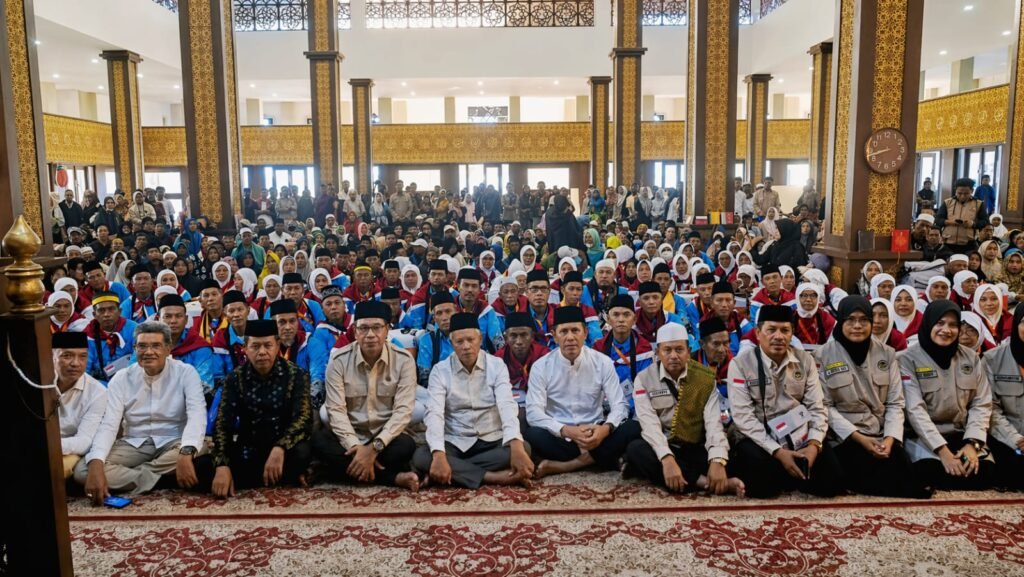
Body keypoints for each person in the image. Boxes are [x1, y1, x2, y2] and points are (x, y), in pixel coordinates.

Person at [76, 322, 208, 503]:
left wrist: (185, 452)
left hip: (174, 441)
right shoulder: (122, 378)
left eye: (156, 346)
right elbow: (109, 424)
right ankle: (163, 480)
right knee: (84, 470)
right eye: (142, 346)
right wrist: (97, 461)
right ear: (135, 349)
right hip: (135, 442)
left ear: (168, 348)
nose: (148, 352)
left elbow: (197, 414)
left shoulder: (186, 373)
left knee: (200, 448)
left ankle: (135, 478)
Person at [814, 296, 930, 498]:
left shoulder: (887, 354)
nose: (857, 326)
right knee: (842, 480)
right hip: (844, 437)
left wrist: (890, 438)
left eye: (864, 320)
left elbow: (895, 402)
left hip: (880, 433)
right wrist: (860, 438)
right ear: (840, 321)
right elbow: (825, 407)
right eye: (850, 320)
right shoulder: (823, 355)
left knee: (907, 476)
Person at [726, 305, 844, 498]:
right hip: (759, 435)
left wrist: (813, 445)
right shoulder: (741, 364)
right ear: (758, 333)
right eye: (771, 330)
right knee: (763, 487)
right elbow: (743, 417)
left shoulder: (805, 360)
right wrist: (778, 452)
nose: (779, 336)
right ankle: (785, 473)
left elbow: (817, 407)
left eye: (785, 330)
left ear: (792, 334)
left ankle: (791, 473)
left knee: (833, 482)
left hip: (798, 434)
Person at [413, 313, 534, 489]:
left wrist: (515, 443)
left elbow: (507, 405)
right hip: (455, 440)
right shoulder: (440, 371)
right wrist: (439, 454)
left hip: (490, 438)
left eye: (470, 340)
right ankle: (493, 477)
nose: (466, 346)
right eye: (459, 342)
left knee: (524, 448)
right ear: (452, 343)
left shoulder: (496, 365)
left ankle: (453, 472)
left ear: (480, 339)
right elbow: (434, 413)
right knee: (422, 456)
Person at [625, 324, 745, 495]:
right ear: (657, 352)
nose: (674, 356)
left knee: (733, 461)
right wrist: (667, 458)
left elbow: (713, 424)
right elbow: (650, 425)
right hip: (664, 444)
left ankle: (682, 476)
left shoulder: (704, 378)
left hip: (695, 445)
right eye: (667, 350)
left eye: (679, 349)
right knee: (636, 449)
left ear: (688, 351)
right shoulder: (644, 379)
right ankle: (705, 482)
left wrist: (717, 460)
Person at [524, 306, 642, 478]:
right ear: (554, 335)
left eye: (575, 330)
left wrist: (605, 430)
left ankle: (567, 465)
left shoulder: (602, 362)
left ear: (585, 333)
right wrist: (566, 430)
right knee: (533, 434)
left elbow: (620, 405)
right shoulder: (541, 366)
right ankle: (601, 459)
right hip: (560, 436)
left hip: (596, 433)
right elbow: (534, 412)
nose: (570, 337)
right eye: (564, 331)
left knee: (633, 427)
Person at [201, 319, 312, 497]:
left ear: (277, 346)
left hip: (285, 451)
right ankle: (281, 477)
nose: (262, 352)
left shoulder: (296, 374)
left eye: (268, 345)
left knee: (303, 453)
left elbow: (303, 419)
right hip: (248, 449)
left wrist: (280, 447)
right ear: (245, 348)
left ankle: (252, 478)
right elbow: (223, 425)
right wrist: (222, 465)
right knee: (202, 467)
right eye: (255, 346)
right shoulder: (234, 379)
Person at [899, 300, 995, 490]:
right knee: (929, 472)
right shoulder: (907, 359)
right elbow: (914, 410)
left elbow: (981, 404)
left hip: (962, 434)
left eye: (953, 325)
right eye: (940, 323)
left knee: (986, 473)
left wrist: (972, 444)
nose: (946, 330)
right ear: (928, 324)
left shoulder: (971, 358)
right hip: (924, 439)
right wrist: (943, 452)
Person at [52, 332, 108, 479]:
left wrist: (47, 445)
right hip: (36, 445)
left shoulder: (97, 392)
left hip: (71, 450)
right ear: (52, 356)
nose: (76, 363)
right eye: (67, 356)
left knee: (54, 469)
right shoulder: (37, 383)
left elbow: (84, 442)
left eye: (82, 356)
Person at [984, 306, 1024, 490]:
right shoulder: (992, 359)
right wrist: (1016, 440)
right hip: (1007, 438)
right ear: (1015, 325)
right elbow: (991, 410)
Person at [157, 294, 222, 396]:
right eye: (167, 316)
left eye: (178, 316)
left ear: (186, 319)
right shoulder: (148, 345)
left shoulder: (199, 346)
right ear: (158, 319)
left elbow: (204, 385)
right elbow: (136, 375)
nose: (173, 321)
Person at [84, 291, 138, 383]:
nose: (106, 314)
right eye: (101, 310)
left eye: (111, 309)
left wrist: (125, 378)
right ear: (94, 315)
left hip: (131, 379)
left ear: (119, 311)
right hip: (100, 384)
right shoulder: (88, 335)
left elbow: (138, 355)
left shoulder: (134, 328)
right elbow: (85, 369)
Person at [935, 178, 988, 253]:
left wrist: (973, 224)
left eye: (966, 194)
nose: (962, 196)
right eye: (959, 193)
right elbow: (937, 219)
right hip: (948, 242)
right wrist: (949, 222)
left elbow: (985, 221)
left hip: (969, 243)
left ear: (972, 191)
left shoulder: (978, 204)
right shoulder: (948, 202)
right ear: (955, 191)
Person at [212, 290, 251, 375]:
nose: (236, 314)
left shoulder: (259, 332)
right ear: (225, 314)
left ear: (248, 310)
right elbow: (218, 374)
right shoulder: (220, 338)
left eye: (240, 309)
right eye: (231, 311)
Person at [269, 299, 311, 373]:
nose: (288, 327)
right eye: (282, 322)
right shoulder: (266, 345)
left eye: (292, 321)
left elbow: (317, 372)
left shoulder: (309, 342)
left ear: (298, 322)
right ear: (272, 324)